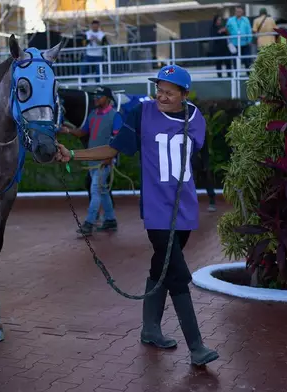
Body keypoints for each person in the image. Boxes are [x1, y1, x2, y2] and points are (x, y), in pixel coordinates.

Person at [55, 64, 220, 366]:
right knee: (178, 274)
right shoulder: (141, 114)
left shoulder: (195, 117)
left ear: (184, 94)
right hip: (158, 210)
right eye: (159, 90)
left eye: (170, 92)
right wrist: (74, 154)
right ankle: (197, 347)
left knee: (162, 266)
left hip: (184, 208)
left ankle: (150, 329)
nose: (162, 96)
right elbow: (113, 150)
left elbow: (190, 156)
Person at [60, 86, 120, 235]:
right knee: (103, 191)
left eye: (99, 96)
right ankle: (110, 220)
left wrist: (110, 157)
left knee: (95, 190)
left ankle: (89, 223)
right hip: (92, 160)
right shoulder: (93, 114)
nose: (96, 98)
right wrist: (67, 130)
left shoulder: (115, 116)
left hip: (104, 161)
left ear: (108, 98)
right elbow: (82, 132)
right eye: (95, 96)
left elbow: (118, 139)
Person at [225, 6, 253, 75]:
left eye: (240, 11)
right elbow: (227, 30)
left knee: (247, 60)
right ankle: (236, 75)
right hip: (234, 43)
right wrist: (229, 41)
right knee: (235, 61)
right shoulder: (230, 20)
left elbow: (249, 31)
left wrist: (249, 40)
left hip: (245, 43)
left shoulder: (246, 20)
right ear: (235, 12)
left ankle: (249, 76)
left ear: (242, 12)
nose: (238, 13)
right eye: (237, 11)